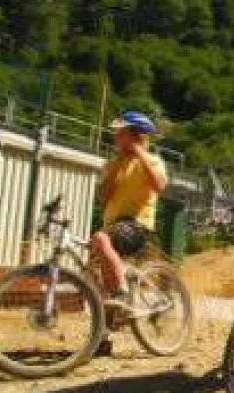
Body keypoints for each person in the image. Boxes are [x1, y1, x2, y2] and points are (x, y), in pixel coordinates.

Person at [92, 110, 168, 357]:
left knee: (101, 241)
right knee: (97, 281)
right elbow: (102, 198)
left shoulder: (153, 160)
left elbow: (159, 185)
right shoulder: (113, 163)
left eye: (120, 133)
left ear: (136, 135)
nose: (115, 137)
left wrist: (138, 153)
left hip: (136, 226)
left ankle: (122, 292)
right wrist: (116, 166)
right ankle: (101, 339)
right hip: (113, 226)